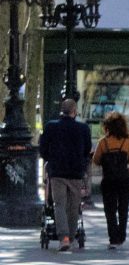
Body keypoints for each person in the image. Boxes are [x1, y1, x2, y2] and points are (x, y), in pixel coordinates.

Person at [39, 99, 91, 252]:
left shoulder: (50, 127)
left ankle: (64, 238)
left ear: (62, 110)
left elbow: (43, 150)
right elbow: (87, 150)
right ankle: (72, 236)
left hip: (57, 172)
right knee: (74, 206)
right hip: (75, 172)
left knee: (59, 204)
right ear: (74, 111)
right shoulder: (83, 128)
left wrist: (52, 160)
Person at [91, 111, 129, 249]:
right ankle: (122, 236)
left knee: (110, 210)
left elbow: (96, 160)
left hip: (108, 180)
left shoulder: (103, 142)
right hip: (124, 180)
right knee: (123, 209)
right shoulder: (127, 142)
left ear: (107, 126)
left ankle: (113, 238)